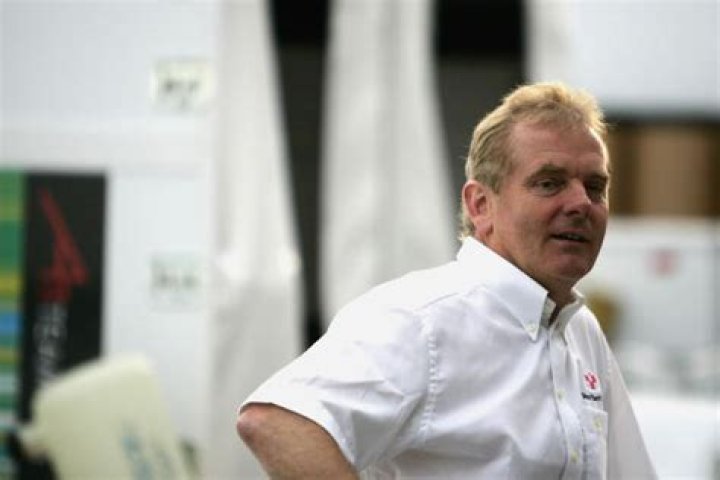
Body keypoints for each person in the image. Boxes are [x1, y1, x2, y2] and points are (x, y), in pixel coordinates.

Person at [236, 82, 656, 479]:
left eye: (595, 187)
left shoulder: (580, 331)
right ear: (480, 205)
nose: (581, 203)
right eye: (549, 183)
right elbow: (278, 422)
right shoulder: (422, 318)